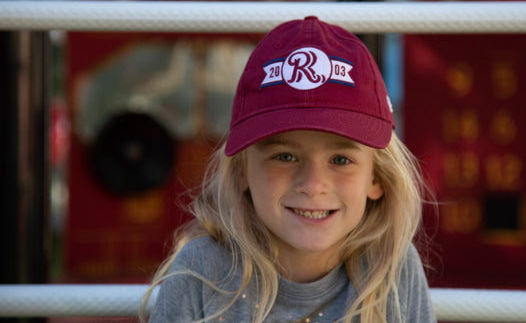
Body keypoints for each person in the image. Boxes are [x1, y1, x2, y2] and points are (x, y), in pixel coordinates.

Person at [142, 16, 436, 323]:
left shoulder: (392, 269)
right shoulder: (201, 271)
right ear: (242, 170)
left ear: (376, 177)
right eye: (284, 157)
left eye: (340, 160)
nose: (312, 185)